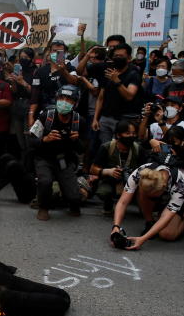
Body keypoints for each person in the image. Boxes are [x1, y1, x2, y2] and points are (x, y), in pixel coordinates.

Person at [28, 84, 85, 220]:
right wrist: (45, 139)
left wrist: (76, 140)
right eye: (62, 98)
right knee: (45, 181)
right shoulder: (46, 116)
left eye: (69, 99)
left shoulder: (79, 121)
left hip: (65, 160)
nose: (64, 102)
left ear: (75, 103)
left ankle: (71, 202)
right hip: (44, 158)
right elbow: (31, 141)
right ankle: (43, 207)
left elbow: (82, 149)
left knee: (74, 197)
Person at [110, 159, 184, 250]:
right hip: (155, 192)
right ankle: (150, 222)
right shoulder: (140, 173)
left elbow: (165, 217)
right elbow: (123, 202)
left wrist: (143, 239)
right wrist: (116, 227)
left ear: (163, 188)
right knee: (143, 192)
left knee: (167, 234)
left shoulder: (181, 184)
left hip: (175, 198)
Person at [92, 43, 144, 146]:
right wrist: (95, 118)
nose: (117, 58)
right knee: (106, 148)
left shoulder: (133, 74)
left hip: (125, 119)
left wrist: (117, 81)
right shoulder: (108, 72)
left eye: (121, 56)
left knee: (123, 147)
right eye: (116, 56)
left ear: (128, 58)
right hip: (106, 118)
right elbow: (101, 98)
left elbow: (129, 96)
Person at [90, 120, 144, 216]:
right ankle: (108, 204)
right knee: (103, 192)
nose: (131, 136)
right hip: (111, 181)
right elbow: (93, 169)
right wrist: (108, 171)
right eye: (127, 133)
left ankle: (143, 207)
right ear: (118, 135)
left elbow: (146, 169)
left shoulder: (138, 149)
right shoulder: (107, 147)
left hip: (133, 182)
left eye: (134, 133)